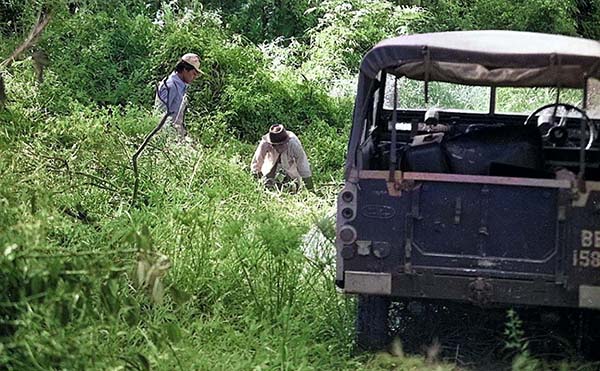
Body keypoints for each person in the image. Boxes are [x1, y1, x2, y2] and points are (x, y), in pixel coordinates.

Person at [155, 53, 203, 141]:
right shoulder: (170, 85)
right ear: (185, 69)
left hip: (177, 134)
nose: (195, 77)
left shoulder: (182, 85)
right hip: (167, 137)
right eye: (194, 73)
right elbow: (160, 115)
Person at [251, 124, 314, 191]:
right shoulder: (265, 143)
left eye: (281, 145)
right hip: (271, 166)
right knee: (267, 186)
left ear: (286, 142)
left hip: (290, 170)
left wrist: (310, 188)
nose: (279, 148)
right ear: (272, 144)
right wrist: (256, 179)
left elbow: (302, 164)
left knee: (291, 188)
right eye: (276, 146)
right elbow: (257, 160)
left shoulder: (294, 144)